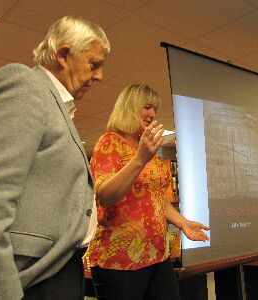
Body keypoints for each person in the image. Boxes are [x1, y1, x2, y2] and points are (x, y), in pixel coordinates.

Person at [0, 16, 110, 300]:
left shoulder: (57, 106)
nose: (100, 76)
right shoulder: (25, 85)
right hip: (33, 279)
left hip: (59, 271)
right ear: (64, 55)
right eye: (94, 64)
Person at [85, 84, 210, 300]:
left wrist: (182, 223)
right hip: (120, 261)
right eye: (147, 107)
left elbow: (155, 198)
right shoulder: (110, 142)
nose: (152, 114)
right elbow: (104, 197)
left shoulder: (148, 149)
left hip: (157, 255)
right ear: (130, 107)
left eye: (155, 109)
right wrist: (140, 158)